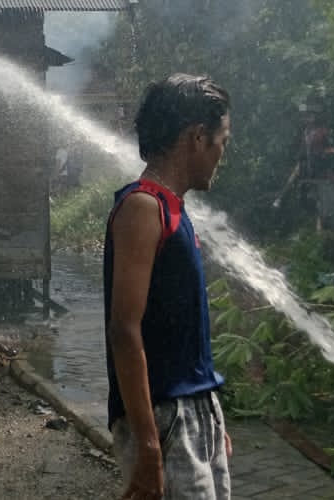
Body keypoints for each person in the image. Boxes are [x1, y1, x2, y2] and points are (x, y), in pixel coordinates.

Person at [106, 74, 234, 500]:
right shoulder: (144, 208)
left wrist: (211, 419)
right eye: (222, 142)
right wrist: (147, 446)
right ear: (197, 137)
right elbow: (125, 330)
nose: (222, 155)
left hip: (193, 408)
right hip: (165, 416)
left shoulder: (173, 209)